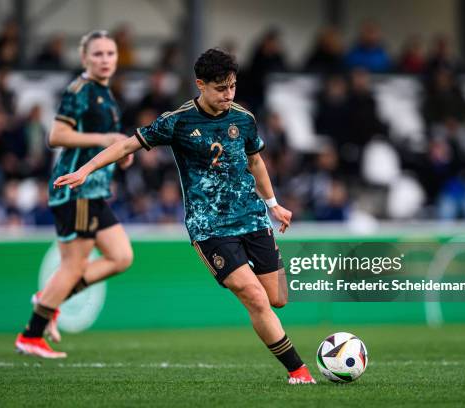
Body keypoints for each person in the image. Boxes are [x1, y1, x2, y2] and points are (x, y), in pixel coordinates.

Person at [54, 48, 316, 384]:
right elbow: (125, 146)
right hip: (210, 228)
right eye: (221, 88)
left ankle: (287, 352)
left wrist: (273, 203)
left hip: (252, 218)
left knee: (277, 298)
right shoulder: (176, 121)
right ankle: (299, 371)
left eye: (233, 87)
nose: (228, 94)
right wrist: (85, 170)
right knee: (253, 294)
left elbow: (255, 161)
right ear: (201, 85)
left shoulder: (244, 119)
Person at [15, 30, 134, 358]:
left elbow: (106, 139)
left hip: (94, 192)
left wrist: (120, 151)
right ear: (84, 59)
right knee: (72, 266)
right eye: (97, 54)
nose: (105, 59)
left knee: (121, 256)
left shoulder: (106, 95)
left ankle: (49, 299)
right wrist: (104, 140)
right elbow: (56, 135)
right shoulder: (79, 90)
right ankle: (31, 334)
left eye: (110, 54)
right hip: (76, 189)